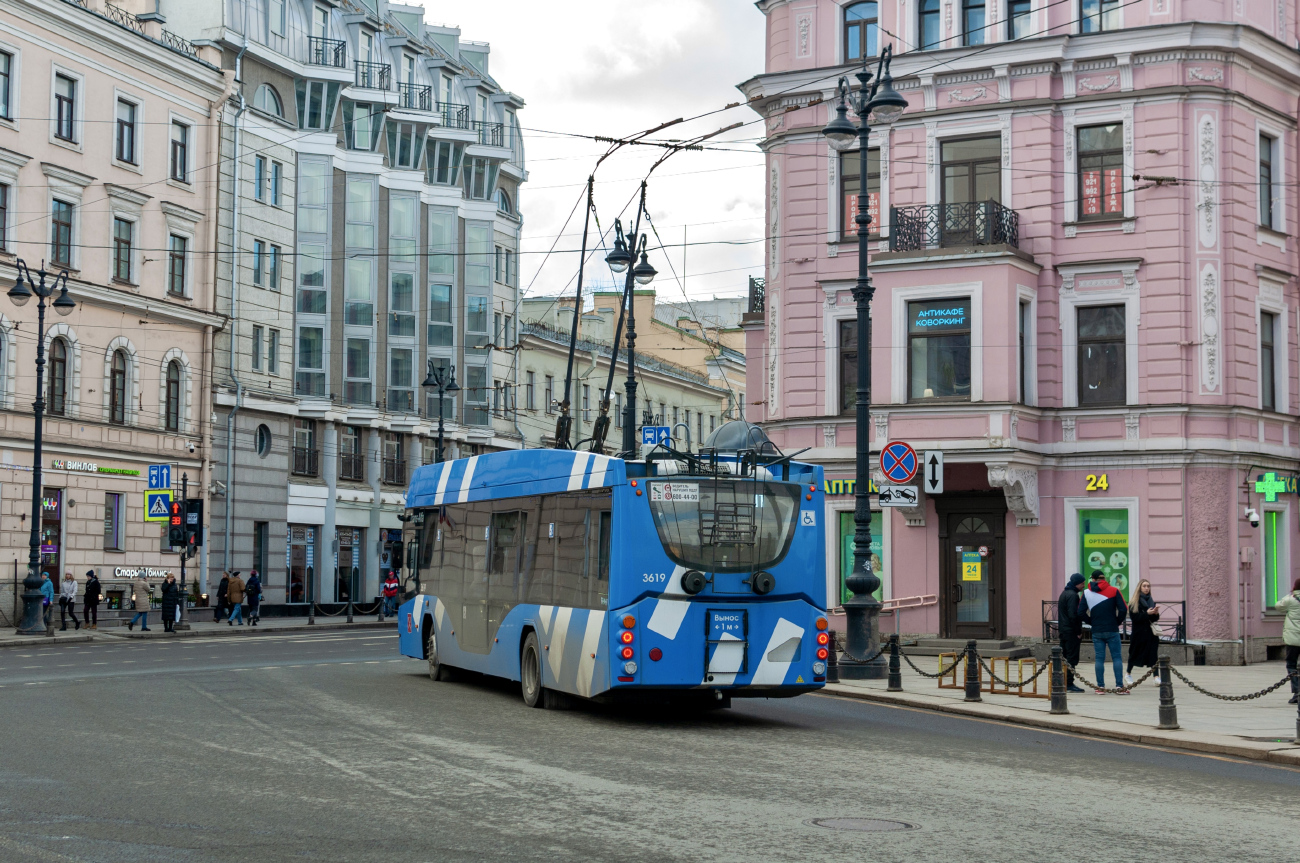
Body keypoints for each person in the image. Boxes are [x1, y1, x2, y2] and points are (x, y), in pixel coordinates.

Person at [1080, 569, 1128, 693]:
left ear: (1093, 579)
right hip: (1112, 629)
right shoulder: (1114, 590)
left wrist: (1091, 621)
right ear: (1104, 578)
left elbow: (1080, 612)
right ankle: (1119, 686)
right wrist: (1117, 621)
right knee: (1116, 657)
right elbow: (1123, 609)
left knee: (1099, 658)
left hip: (1097, 630)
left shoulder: (1086, 593)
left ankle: (1100, 687)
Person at [1125, 579, 1160, 685]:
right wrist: (1147, 613)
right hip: (1138, 634)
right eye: (1144, 586)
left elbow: (1154, 620)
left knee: (1153, 655)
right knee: (1134, 653)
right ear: (1139, 588)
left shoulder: (1151, 601)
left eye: (1148, 586)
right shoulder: (1133, 602)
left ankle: (1156, 677)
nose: (1146, 588)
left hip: (1150, 634)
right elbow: (1134, 618)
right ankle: (1128, 674)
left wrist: (1155, 613)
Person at [1057, 573, 1086, 693]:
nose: (1083, 586)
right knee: (1071, 658)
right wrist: (1078, 631)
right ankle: (1069, 683)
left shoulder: (1064, 593)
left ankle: (1063, 681)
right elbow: (1073, 615)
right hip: (1071, 631)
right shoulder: (1073, 595)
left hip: (1064, 630)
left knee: (1064, 657)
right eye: (1082, 583)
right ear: (1077, 584)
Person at [1275, 577, 1300, 704]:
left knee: (1291, 665)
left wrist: (1291, 593)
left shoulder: (1290, 600)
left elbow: (1278, 606)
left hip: (1293, 639)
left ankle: (1297, 692)